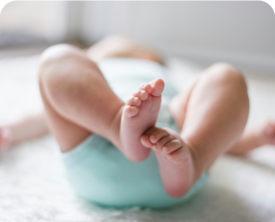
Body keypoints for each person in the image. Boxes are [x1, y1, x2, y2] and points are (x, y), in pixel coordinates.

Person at [0, 35, 275, 208]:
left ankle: (190, 152)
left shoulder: (160, 76)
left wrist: (255, 138)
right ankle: (117, 123)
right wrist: (9, 130)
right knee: (59, 59)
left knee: (222, 78)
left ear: (147, 57)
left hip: (120, 163)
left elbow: (217, 133)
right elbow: (42, 118)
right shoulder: (89, 78)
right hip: (113, 139)